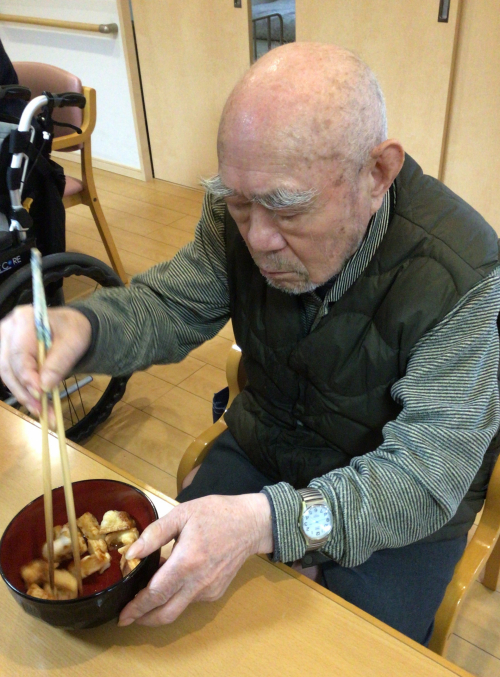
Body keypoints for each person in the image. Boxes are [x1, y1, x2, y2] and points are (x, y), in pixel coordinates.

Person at [1, 43, 499, 646]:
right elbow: (169, 305)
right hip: (269, 447)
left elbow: (424, 478)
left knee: (339, 654)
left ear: (377, 174)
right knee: (160, 607)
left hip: (400, 505)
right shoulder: (240, 209)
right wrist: (82, 329)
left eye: (288, 210)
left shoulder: (464, 276)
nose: (259, 239)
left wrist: (270, 524)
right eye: (238, 203)